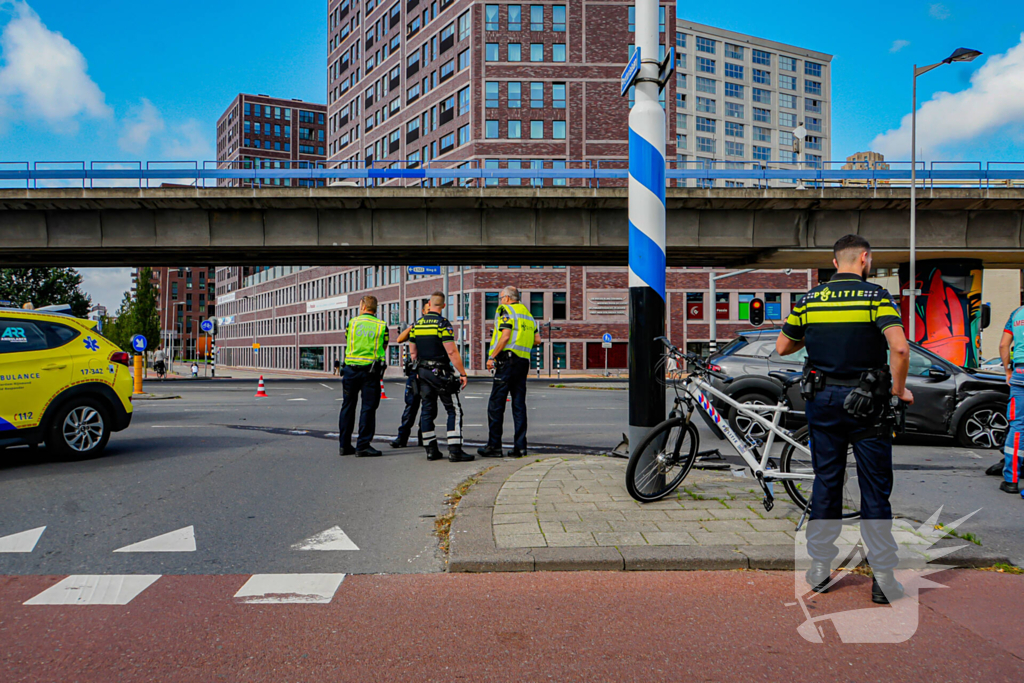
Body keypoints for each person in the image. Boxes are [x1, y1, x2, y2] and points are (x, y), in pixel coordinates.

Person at [776, 234, 914, 605]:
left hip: (822, 399)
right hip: (867, 401)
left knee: (827, 481)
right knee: (873, 489)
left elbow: (782, 346)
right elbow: (899, 347)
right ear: (865, 259)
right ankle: (883, 579)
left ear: (836, 262)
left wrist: (820, 335)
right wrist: (899, 390)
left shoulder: (810, 299)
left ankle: (820, 569)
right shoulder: (877, 298)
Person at [408, 292, 473, 462]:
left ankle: (431, 450)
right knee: (454, 409)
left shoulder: (417, 324)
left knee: (427, 409)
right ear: (443, 306)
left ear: (429, 304)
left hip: (423, 372)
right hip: (441, 373)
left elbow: (413, 352)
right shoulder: (442, 324)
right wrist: (463, 373)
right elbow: (451, 351)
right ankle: (455, 450)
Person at [477, 286, 538, 459]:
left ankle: (494, 446)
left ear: (507, 298)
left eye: (500, 297)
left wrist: (491, 357)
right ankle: (520, 447)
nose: (500, 300)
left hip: (507, 362)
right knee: (519, 405)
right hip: (523, 363)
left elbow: (505, 336)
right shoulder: (528, 315)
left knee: (496, 405)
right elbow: (537, 340)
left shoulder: (506, 310)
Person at [338, 295, 389, 458]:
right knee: (368, 408)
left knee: (348, 406)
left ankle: (344, 445)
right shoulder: (381, 326)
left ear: (362, 307)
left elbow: (348, 339)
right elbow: (384, 345)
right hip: (370, 372)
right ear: (375, 308)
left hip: (350, 370)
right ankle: (363, 445)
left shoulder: (351, 323)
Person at [391, 302, 430, 449]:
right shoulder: (417, 326)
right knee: (411, 406)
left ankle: (424, 438)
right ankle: (402, 438)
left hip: (428, 371)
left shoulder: (438, 324)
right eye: (427, 310)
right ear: (423, 311)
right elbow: (400, 339)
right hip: (416, 371)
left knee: (427, 407)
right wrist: (412, 326)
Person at [997, 307, 1024, 494]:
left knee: (1018, 428)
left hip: (1020, 375)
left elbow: (1003, 345)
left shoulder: (1016, 314)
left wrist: (1007, 370)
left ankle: (1011, 480)